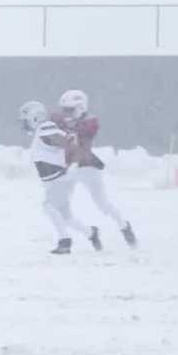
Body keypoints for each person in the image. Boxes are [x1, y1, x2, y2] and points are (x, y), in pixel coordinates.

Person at [51, 90, 137, 247]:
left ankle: (124, 226)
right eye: (65, 109)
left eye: (70, 109)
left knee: (102, 204)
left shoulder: (90, 122)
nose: (66, 113)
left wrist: (74, 163)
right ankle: (87, 233)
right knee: (60, 207)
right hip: (69, 168)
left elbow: (82, 144)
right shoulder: (60, 121)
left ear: (81, 107)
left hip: (87, 167)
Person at [19, 101, 101, 254]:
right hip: (55, 179)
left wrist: (74, 164)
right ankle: (91, 233)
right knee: (66, 216)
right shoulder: (44, 130)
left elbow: (68, 143)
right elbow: (68, 141)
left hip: (59, 178)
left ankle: (65, 241)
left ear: (35, 118)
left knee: (48, 207)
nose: (24, 125)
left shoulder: (45, 128)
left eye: (25, 121)